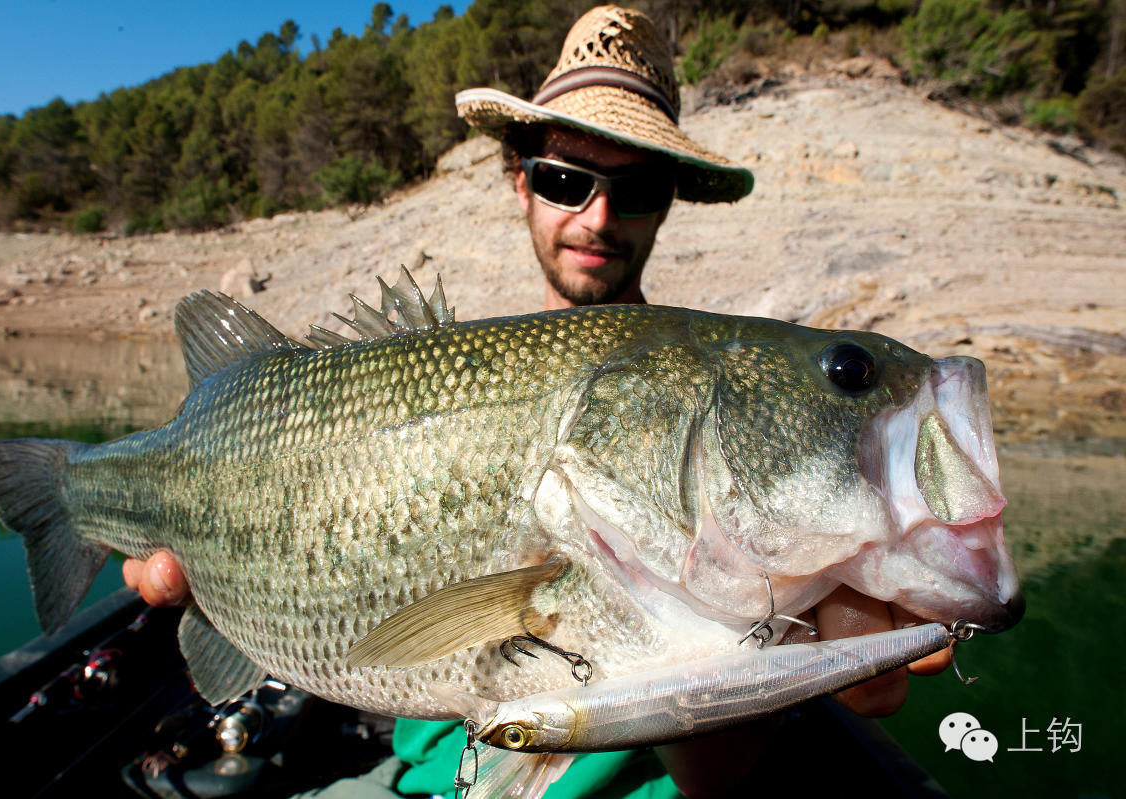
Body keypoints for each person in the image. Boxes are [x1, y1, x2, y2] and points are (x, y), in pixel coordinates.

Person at [124, 6, 949, 796]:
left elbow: (709, 778)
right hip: (418, 782)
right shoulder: (430, 376)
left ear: (670, 201)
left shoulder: (708, 412)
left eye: (636, 189)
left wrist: (779, 632)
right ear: (518, 181)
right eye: (564, 178)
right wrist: (213, 564)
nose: (596, 217)